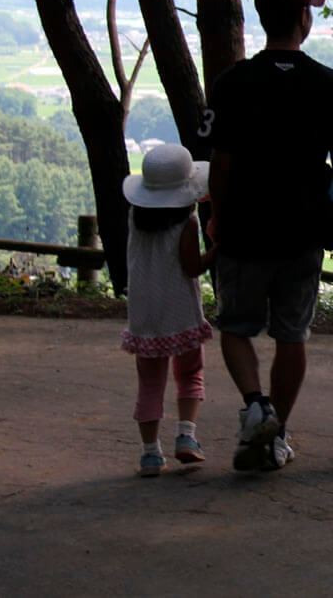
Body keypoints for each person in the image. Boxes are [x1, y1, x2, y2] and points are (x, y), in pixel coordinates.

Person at [205, 0, 333, 472]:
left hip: (244, 227)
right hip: (304, 229)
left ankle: (256, 407)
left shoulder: (231, 83)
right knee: (292, 334)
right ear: (302, 18)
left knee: (236, 326)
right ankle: (277, 436)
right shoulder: (327, 84)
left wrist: (216, 217)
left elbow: (221, 162)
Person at [121, 144, 216, 477]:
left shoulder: (135, 217)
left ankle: (150, 454)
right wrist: (216, 250)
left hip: (144, 311)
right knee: (189, 373)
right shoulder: (186, 223)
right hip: (179, 311)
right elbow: (192, 267)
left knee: (149, 383)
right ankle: (186, 437)